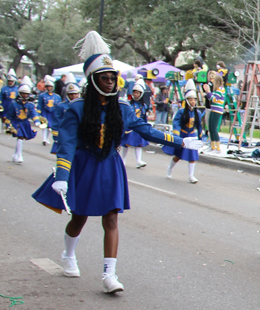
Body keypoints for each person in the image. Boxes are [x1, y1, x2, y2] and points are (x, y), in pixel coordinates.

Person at [32, 31, 203, 293]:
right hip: (84, 165)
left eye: (113, 77)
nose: (111, 82)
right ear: (93, 79)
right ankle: (68, 256)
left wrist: (181, 141)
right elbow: (66, 146)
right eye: (105, 77)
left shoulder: (123, 109)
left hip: (110, 166)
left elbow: (147, 130)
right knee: (79, 218)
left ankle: (109, 275)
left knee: (111, 219)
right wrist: (62, 177)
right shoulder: (75, 109)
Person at [163, 79, 202, 183]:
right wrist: (176, 133)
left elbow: (199, 125)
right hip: (183, 135)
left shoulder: (197, 112)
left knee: (192, 156)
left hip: (192, 136)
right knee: (178, 156)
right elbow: (176, 123)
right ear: (187, 100)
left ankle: (191, 176)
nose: (193, 102)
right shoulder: (181, 112)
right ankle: (169, 169)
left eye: (194, 100)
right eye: (191, 99)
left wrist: (201, 137)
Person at [120, 78, 151, 169]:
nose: (135, 94)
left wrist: (145, 126)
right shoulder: (128, 104)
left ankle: (138, 160)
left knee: (139, 144)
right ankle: (123, 160)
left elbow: (144, 117)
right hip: (129, 127)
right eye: (134, 92)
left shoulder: (144, 106)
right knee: (126, 143)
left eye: (137, 93)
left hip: (139, 126)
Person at [9, 79, 41, 164]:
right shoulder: (14, 104)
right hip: (17, 122)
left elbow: (33, 113)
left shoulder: (30, 105)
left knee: (21, 138)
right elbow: (10, 115)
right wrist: (8, 123)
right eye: (23, 93)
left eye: (26, 94)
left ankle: (16, 154)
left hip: (25, 123)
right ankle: (19, 155)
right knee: (20, 137)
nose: (25, 95)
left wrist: (36, 121)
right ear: (19, 93)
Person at [37, 75, 61, 146]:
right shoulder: (42, 95)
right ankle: (44, 139)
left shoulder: (57, 97)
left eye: (50, 86)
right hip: (45, 112)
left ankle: (47, 138)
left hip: (53, 112)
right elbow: (40, 105)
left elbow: (58, 106)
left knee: (50, 127)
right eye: (47, 86)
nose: (49, 88)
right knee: (44, 125)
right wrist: (39, 113)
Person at [206, 72, 227, 155]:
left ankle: (217, 147)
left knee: (214, 128)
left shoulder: (220, 89)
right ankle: (212, 145)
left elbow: (214, 99)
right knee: (210, 128)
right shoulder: (216, 90)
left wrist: (208, 92)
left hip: (217, 110)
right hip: (213, 109)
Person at [1, 69, 18, 135]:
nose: (10, 82)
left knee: (12, 117)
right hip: (6, 103)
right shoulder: (4, 88)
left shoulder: (17, 89)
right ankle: (3, 127)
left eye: (11, 81)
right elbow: (1, 96)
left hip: (13, 104)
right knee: (4, 117)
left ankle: (10, 128)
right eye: (9, 81)